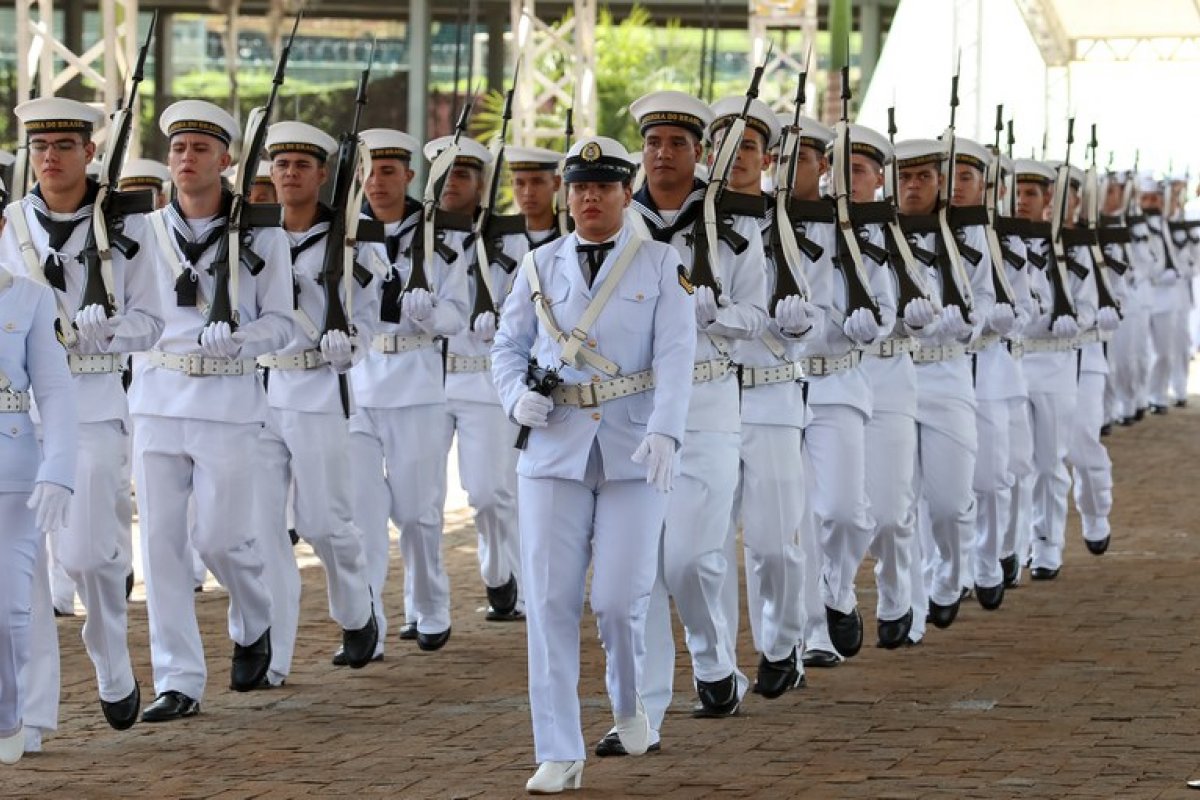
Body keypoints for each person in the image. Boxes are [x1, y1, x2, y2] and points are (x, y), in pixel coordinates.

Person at [491, 134, 695, 795]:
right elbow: (506, 347)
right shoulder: (536, 266)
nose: (589, 198)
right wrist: (514, 395)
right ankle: (557, 748)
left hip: (635, 448)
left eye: (603, 187)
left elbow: (675, 356)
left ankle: (631, 702)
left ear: (625, 192)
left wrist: (667, 431)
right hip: (554, 447)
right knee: (549, 601)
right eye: (579, 187)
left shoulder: (662, 265)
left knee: (615, 601)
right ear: (565, 193)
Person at [0, 97, 165, 745]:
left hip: (94, 405)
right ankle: (29, 717)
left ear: (90, 153)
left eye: (64, 146)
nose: (50, 158)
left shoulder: (133, 225)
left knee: (89, 556)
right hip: (23, 416)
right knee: (25, 577)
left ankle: (108, 651)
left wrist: (113, 329)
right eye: (40, 147)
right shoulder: (13, 223)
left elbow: (154, 322)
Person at [130, 99, 292, 722]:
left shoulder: (264, 232)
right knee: (163, 547)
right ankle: (179, 679)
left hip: (227, 399)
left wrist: (245, 338)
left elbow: (283, 321)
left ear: (226, 160)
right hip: (157, 398)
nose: (187, 158)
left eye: (200, 149)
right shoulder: (140, 231)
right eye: (178, 148)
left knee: (221, 539)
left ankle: (254, 618)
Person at [629, 90, 767, 733]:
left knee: (690, 555)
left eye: (677, 144)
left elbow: (760, 312)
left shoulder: (733, 226)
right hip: (632, 403)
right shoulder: (614, 225)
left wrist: (721, 316)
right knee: (640, 566)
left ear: (700, 153)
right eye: (654, 142)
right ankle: (642, 710)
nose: (663, 154)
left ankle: (713, 665)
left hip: (709, 397)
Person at [254, 120, 381, 683]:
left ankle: (356, 612)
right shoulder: (253, 234)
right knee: (261, 529)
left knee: (323, 523)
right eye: (280, 165)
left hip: (316, 387)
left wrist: (350, 341)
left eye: (301, 165)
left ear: (323, 174)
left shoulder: (352, 237)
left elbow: (371, 315)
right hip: (257, 390)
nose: (288, 174)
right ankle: (271, 657)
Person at [348, 127, 469, 653]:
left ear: (409, 177)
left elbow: (459, 312)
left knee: (418, 511)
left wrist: (432, 314)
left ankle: (429, 605)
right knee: (362, 513)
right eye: (369, 171)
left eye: (389, 171)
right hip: (356, 383)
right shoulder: (345, 232)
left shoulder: (442, 236)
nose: (377, 182)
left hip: (417, 383)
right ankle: (366, 622)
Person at [706, 95, 808, 699]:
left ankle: (782, 639)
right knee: (710, 544)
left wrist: (798, 325)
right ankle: (717, 665)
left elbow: (815, 310)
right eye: (724, 144)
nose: (735, 156)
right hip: (710, 398)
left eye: (747, 146)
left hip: (770, 397)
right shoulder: (688, 219)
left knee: (772, 543)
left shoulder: (789, 222)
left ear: (766, 157)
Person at [893, 139, 995, 639]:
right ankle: (907, 609)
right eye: (905, 178)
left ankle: (948, 578)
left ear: (939, 184)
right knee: (899, 501)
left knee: (951, 501)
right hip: (895, 373)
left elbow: (991, 299)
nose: (913, 187)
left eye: (924, 178)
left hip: (949, 374)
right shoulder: (875, 234)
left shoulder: (966, 238)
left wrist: (969, 324)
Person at [433, 134, 530, 633]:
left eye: (464, 175)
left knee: (491, 491)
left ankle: (501, 573)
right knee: (418, 503)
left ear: (482, 185)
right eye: (446, 174)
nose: (453, 184)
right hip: (426, 378)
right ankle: (419, 609)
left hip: (483, 382)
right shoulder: (419, 237)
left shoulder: (512, 239)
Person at [0, 265, 76, 766]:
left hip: (12, 467)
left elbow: (55, 390)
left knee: (9, 610)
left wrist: (59, 469)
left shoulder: (28, 297)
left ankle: (9, 715)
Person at [508, 145, 566, 246]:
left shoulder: (570, 235)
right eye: (520, 183)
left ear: (556, 183)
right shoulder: (499, 240)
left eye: (537, 182)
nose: (528, 192)